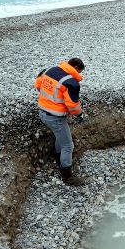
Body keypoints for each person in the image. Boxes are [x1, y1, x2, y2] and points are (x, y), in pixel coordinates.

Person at [34, 57, 86, 186]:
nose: (78, 75)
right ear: (76, 68)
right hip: (55, 117)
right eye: (79, 72)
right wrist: (80, 115)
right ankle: (67, 176)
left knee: (60, 135)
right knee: (68, 145)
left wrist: (51, 101)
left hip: (42, 111)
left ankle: (57, 155)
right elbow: (72, 106)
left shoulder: (49, 70)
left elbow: (38, 86)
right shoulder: (71, 83)